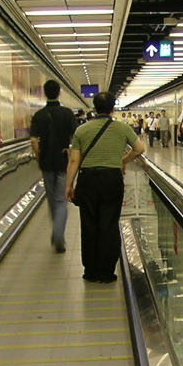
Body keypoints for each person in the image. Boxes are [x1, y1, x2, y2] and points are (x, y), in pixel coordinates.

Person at [66, 91, 144, 283]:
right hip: (111, 179)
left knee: (89, 224)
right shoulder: (122, 128)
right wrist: (122, 160)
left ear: (94, 107)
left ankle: (90, 271)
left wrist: (69, 184)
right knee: (109, 224)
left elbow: (75, 160)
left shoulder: (82, 130)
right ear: (112, 108)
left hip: (88, 180)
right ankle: (107, 272)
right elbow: (140, 149)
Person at [28, 79, 76, 253]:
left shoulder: (39, 115)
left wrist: (39, 156)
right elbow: (75, 138)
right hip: (63, 162)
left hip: (46, 163)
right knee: (61, 199)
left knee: (51, 199)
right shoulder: (67, 113)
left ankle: (56, 232)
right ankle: (58, 234)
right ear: (59, 93)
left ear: (44, 93)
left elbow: (34, 141)